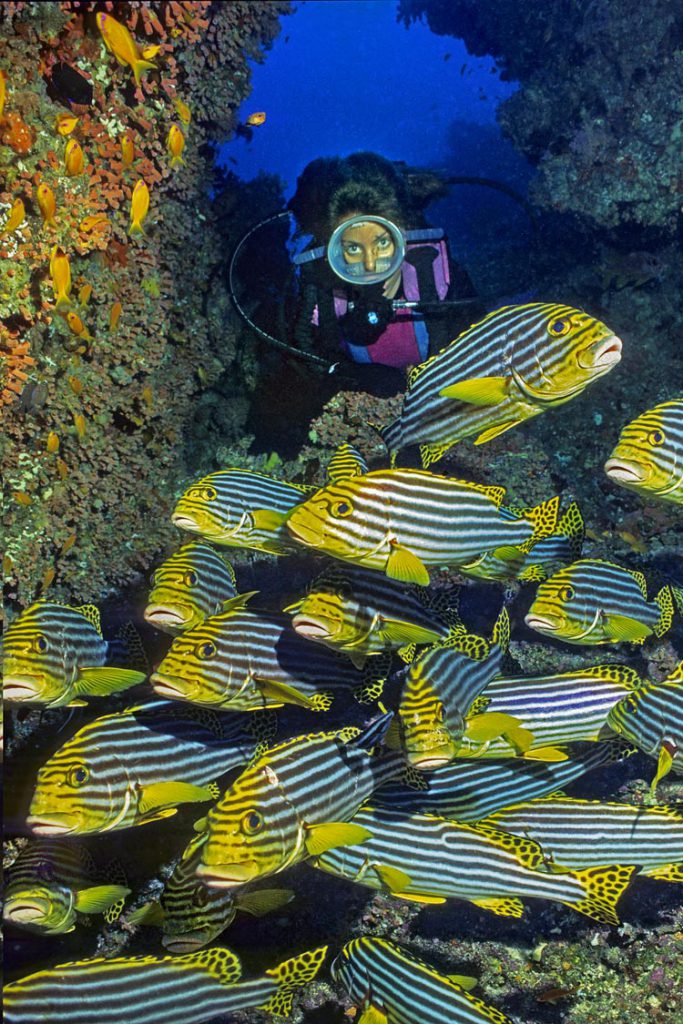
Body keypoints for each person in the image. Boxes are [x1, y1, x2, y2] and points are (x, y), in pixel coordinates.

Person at [286, 151, 484, 396]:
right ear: (334, 249)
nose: (370, 266)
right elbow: (304, 358)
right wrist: (349, 377)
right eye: (353, 248)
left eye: (381, 243)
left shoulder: (439, 279)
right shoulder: (320, 295)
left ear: (404, 235)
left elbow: (479, 350)